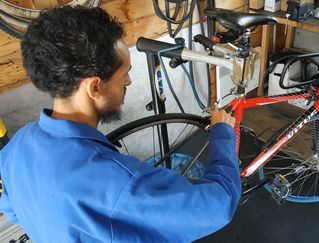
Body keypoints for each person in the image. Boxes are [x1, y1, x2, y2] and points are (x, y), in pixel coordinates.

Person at [0, 6, 240, 242]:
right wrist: (223, 133)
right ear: (95, 87)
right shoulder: (120, 182)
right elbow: (218, 205)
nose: (128, 81)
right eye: (123, 74)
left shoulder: (18, 145)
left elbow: (12, 210)